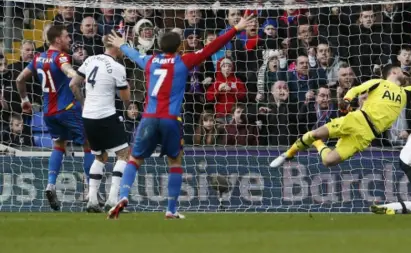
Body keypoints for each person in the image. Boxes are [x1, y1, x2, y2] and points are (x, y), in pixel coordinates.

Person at [105, 14, 256, 219]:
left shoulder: (149, 61)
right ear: (179, 47)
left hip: (148, 117)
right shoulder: (183, 61)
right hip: (170, 119)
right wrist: (236, 28)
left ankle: (123, 195)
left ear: (159, 45)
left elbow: (133, 54)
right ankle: (171, 209)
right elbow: (213, 47)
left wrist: (122, 44)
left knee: (135, 159)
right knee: (175, 162)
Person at [269, 61, 411, 168]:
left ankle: (317, 145)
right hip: (357, 119)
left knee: (328, 161)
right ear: (394, 71)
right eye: (402, 72)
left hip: (367, 135)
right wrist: (347, 102)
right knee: (316, 133)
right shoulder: (379, 83)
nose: (405, 75)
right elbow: (355, 90)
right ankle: (288, 154)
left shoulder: (406, 93)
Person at [15, 25, 95, 211]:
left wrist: (25, 100)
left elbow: (19, 79)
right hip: (67, 109)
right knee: (89, 143)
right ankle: (91, 191)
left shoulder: (37, 58)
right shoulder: (61, 57)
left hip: (48, 113)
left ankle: (50, 184)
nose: (69, 40)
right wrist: (78, 76)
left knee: (59, 144)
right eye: (66, 37)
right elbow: (68, 71)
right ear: (57, 39)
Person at [69, 36, 132, 213]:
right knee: (124, 154)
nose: (123, 49)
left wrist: (83, 103)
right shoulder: (118, 67)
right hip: (106, 115)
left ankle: (92, 200)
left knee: (100, 157)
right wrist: (129, 107)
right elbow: (125, 96)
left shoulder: (90, 60)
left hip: (88, 116)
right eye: (122, 46)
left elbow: (73, 84)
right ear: (115, 47)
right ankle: (112, 199)